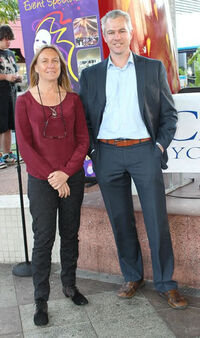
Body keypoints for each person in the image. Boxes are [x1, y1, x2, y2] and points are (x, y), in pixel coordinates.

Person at [79, 10, 188, 310]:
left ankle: (166, 283)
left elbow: (169, 114)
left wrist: (159, 148)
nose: (116, 37)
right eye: (110, 32)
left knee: (156, 220)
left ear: (130, 33)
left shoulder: (153, 69)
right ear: (104, 36)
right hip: (107, 154)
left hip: (145, 153)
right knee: (120, 220)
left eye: (121, 31)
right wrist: (92, 151)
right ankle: (132, 276)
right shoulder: (90, 75)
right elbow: (84, 119)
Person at [15, 44, 89, 326]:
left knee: (70, 235)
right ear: (35, 67)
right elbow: (25, 146)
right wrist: (53, 177)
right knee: (43, 239)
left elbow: (83, 140)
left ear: (61, 66)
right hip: (41, 180)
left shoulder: (73, 100)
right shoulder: (23, 101)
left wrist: (66, 173)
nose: (50, 65)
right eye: (44, 61)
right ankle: (40, 299)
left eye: (55, 61)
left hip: (72, 178)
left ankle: (70, 286)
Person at [0, 24, 22, 169]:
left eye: (10, 39)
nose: (9, 42)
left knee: (8, 126)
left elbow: (14, 69)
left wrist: (16, 77)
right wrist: (6, 77)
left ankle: (7, 154)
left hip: (11, 92)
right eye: (6, 39)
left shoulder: (10, 54)